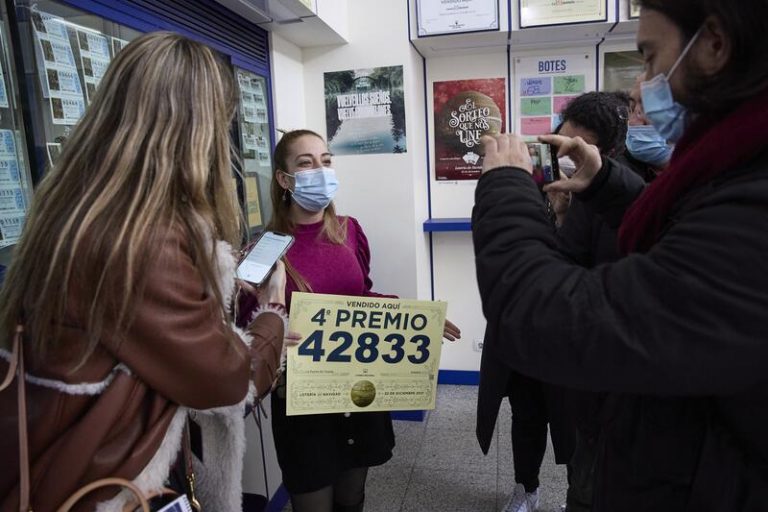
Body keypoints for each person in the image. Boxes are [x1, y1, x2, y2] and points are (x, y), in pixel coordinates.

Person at [473, 0, 768, 510]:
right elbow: (683, 242)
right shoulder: (734, 171)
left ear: (716, 44)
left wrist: (504, 187)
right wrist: (607, 184)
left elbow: (541, 315)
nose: (638, 87)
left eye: (651, 58)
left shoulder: (754, 206)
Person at [0, 32, 287, 511]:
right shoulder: (140, 240)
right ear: (196, 128)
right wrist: (273, 312)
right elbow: (228, 381)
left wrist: (200, 291)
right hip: (110, 489)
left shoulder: (76, 210)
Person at [237, 129, 460, 512]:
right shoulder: (263, 250)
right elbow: (246, 331)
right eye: (306, 163)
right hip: (302, 403)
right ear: (284, 179)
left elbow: (361, 301)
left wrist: (414, 319)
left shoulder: (349, 230)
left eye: (325, 160)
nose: (320, 170)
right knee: (313, 501)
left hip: (357, 390)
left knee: (352, 497)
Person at [490, 91, 639, 512]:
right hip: (534, 339)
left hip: (587, 350)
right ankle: (527, 487)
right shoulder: (545, 182)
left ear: (605, 152)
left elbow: (574, 277)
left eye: (580, 147)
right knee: (529, 413)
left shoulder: (614, 198)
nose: (567, 155)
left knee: (583, 438)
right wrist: (551, 213)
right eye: (563, 141)